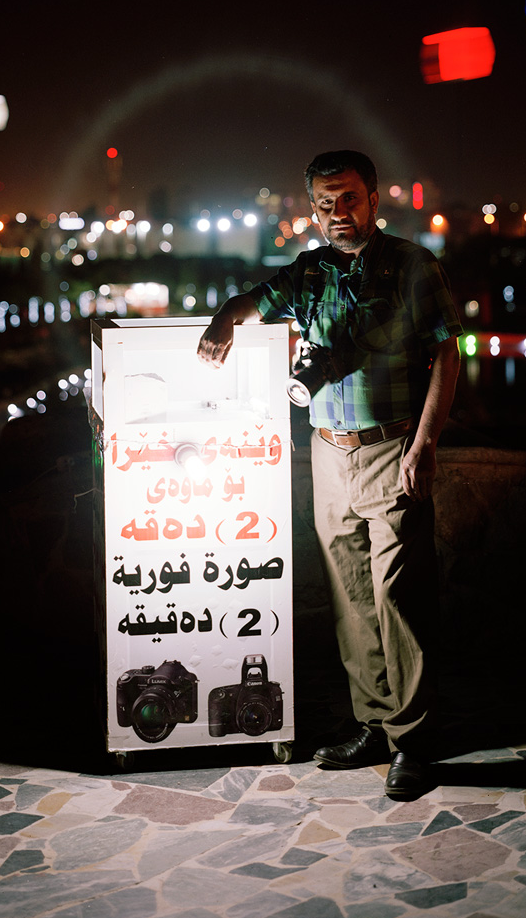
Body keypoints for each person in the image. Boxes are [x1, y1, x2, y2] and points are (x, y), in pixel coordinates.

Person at [197, 150, 461, 800]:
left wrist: (424, 443)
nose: (337, 214)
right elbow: (251, 301)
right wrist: (223, 320)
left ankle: (414, 741)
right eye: (323, 203)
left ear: (373, 199)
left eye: (348, 199)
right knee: (350, 598)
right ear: (310, 209)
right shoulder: (308, 272)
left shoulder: (410, 266)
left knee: (398, 597)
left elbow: (448, 353)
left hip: (391, 446)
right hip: (328, 451)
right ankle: (373, 724)